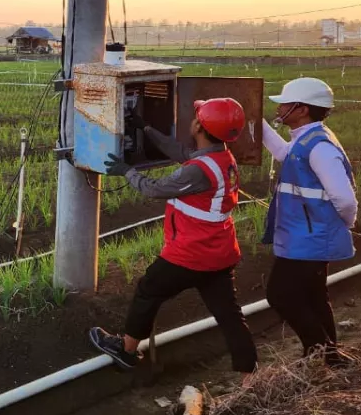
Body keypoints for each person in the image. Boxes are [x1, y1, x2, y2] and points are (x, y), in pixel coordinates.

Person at [89, 98, 258, 378]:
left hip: (192, 254)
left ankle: (126, 351)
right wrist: (146, 128)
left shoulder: (197, 170)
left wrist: (126, 171)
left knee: (148, 289)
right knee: (230, 316)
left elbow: (155, 189)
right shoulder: (221, 158)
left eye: (197, 116)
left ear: (199, 127)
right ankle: (250, 377)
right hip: (220, 252)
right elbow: (182, 152)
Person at [261, 77, 357, 367]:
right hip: (305, 235)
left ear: (301, 109)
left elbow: (346, 199)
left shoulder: (320, 148)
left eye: (285, 104)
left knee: (281, 295)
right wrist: (255, 122)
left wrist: (344, 225)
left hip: (311, 237)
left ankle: (319, 352)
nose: (280, 108)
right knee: (314, 296)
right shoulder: (306, 139)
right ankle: (330, 357)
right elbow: (282, 153)